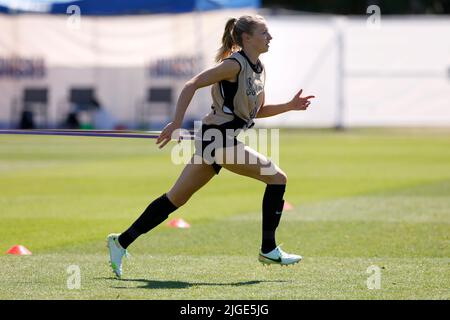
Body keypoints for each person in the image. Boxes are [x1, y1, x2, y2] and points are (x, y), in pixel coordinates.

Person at [107, 15, 315, 278]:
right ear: (247, 38)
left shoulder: (259, 68)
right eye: (264, 33)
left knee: (175, 199)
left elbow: (256, 111)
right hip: (217, 138)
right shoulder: (233, 65)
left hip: (221, 139)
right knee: (277, 178)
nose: (270, 37)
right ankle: (268, 248)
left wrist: (289, 106)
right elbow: (191, 84)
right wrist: (176, 123)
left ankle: (120, 242)